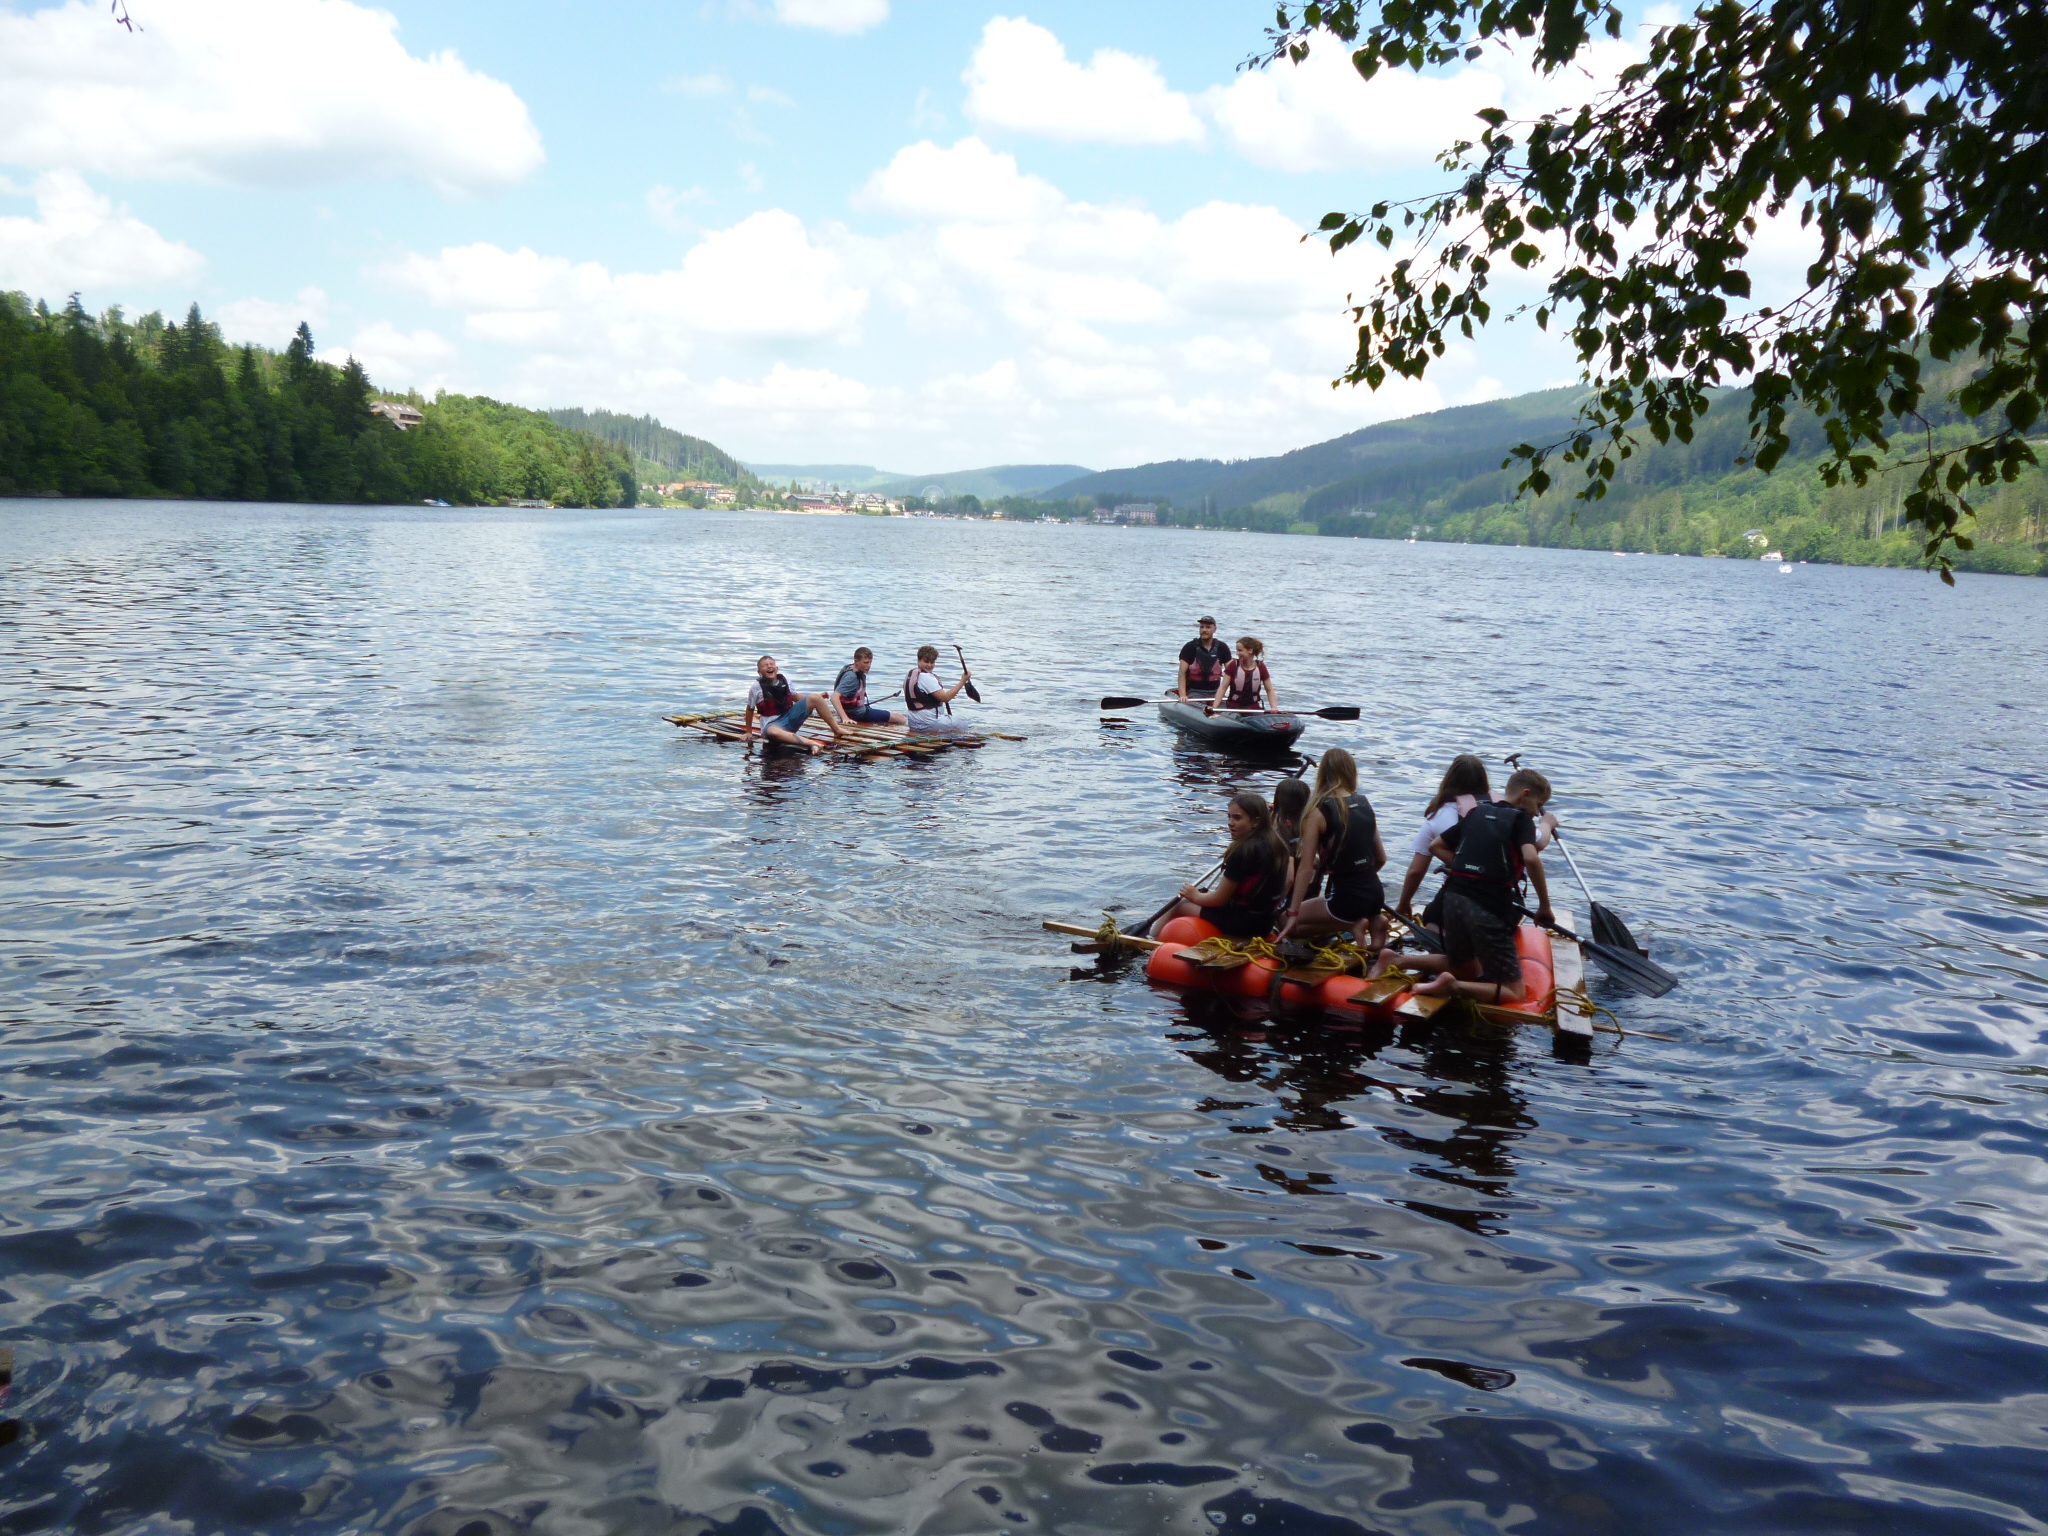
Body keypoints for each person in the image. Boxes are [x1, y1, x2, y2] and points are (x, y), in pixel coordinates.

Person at [1405, 767, 1557, 1004]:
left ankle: (1397, 960)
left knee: (1464, 966)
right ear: (1524, 794)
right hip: (1487, 907)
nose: (1538, 812)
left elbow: (1436, 845)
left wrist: (1466, 869)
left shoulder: (1476, 812)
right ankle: (1452, 986)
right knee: (1514, 991)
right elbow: (1531, 857)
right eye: (1539, 805)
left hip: (1453, 899)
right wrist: (1544, 906)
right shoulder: (1521, 819)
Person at [1396, 755, 1558, 927]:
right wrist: (1546, 825)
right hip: (1497, 898)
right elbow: (1539, 843)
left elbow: (1416, 870)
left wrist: (1404, 903)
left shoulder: (1439, 815)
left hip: (1456, 893)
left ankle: (1437, 934)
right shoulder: (1508, 814)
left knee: (1434, 920)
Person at [1279, 748, 1389, 951]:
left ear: (1323, 774)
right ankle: (1375, 920)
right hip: (1375, 893)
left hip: (1346, 899)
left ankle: (1352, 924)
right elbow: (1381, 858)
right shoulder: (1364, 804)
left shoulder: (1318, 812)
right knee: (1340, 908)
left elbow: (1305, 869)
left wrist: (1293, 912)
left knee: (1284, 922)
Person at [1162, 790, 1289, 938]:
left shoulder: (1244, 852)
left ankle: (1151, 936)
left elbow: (1219, 899)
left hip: (1244, 924)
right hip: (1265, 922)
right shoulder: (1277, 844)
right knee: (1202, 896)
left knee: (1181, 905)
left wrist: (1194, 895)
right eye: (1229, 817)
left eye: (1237, 818)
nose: (1230, 823)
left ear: (1256, 821)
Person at [745, 654, 848, 756]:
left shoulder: (785, 680)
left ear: (777, 668)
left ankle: (836, 729)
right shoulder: (756, 687)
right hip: (772, 725)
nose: (769, 666)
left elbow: (796, 697)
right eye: (765, 665)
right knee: (773, 732)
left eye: (771, 664)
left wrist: (817, 697)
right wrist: (749, 732)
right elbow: (750, 709)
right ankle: (812, 744)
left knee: (815, 697)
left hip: (789, 718)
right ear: (759, 672)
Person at [904, 645, 973, 735]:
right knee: (965, 726)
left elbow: (923, 695)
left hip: (914, 723)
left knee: (953, 723)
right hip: (927, 724)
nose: (929, 665)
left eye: (932, 662)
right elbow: (945, 698)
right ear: (919, 660)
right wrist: (963, 681)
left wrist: (950, 694)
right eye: (926, 661)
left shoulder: (912, 674)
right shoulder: (926, 677)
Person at [834, 647, 907, 727]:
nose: (869, 666)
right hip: (858, 714)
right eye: (865, 663)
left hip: (857, 710)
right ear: (856, 661)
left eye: (870, 662)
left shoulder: (849, 669)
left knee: (890, 716)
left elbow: (842, 693)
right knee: (901, 718)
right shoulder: (852, 677)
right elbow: (834, 698)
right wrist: (845, 718)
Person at [1211, 636, 1278, 712]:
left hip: (1253, 708)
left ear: (1250, 651)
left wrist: (1274, 707)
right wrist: (1214, 707)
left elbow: (1269, 690)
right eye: (1237, 650)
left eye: (1240, 650)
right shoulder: (1233, 665)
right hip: (1233, 707)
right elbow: (1223, 688)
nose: (1237, 653)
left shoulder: (1260, 667)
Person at [1272, 777, 1311, 898]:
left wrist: (1277, 902)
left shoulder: (1283, 833)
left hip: (1289, 896)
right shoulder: (1309, 828)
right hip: (1308, 893)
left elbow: (1289, 879)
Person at [1177, 617, 1232, 702]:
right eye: (1202, 627)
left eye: (1208, 627)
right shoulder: (1190, 647)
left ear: (1215, 629)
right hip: (1194, 691)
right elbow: (1182, 672)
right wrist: (1183, 695)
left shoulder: (1222, 647)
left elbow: (1231, 672)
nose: (1204, 630)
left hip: (1215, 692)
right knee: (1199, 706)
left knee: (1223, 707)